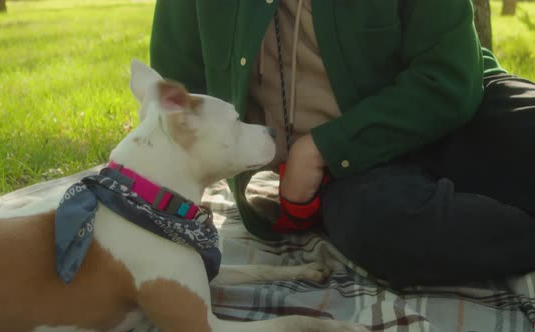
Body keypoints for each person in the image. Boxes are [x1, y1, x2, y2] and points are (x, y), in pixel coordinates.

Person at [149, 0, 535, 287]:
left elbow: (451, 77)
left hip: (455, 105)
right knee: (381, 227)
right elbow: (176, 98)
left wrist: (320, 147)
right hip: (355, 170)